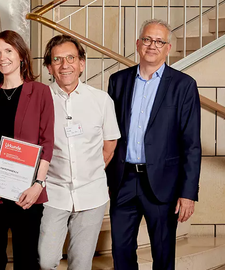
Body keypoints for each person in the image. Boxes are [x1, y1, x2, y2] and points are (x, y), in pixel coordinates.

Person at [106, 19, 201, 270]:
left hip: (163, 184)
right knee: (121, 251)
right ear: (138, 44)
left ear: (167, 48)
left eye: (159, 41)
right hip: (123, 180)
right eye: (147, 39)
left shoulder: (183, 85)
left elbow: (191, 144)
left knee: (162, 253)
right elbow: (109, 135)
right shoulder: (118, 81)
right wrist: (106, 178)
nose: (152, 45)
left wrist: (188, 193)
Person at [38, 35, 121, 269]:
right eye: (57, 59)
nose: (65, 65)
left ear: (82, 63)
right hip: (53, 193)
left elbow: (109, 147)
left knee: (81, 264)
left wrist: (86, 173)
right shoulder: (40, 100)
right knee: (45, 260)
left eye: (71, 58)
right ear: (49, 66)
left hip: (91, 195)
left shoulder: (101, 100)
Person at [0, 30, 55, 270]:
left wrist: (38, 184)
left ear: (21, 55)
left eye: (8, 50)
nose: (2, 57)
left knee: (26, 259)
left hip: (26, 192)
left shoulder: (40, 92)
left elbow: (47, 142)